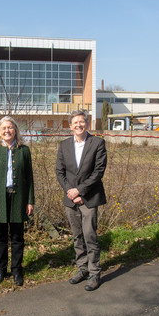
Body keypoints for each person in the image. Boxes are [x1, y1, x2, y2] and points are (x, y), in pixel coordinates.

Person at [55, 110, 107, 291]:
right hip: (71, 199)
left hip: (89, 198)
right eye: (75, 122)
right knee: (77, 236)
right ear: (70, 126)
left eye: (82, 122)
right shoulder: (64, 145)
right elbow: (59, 172)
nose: (79, 125)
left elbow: (98, 172)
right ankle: (82, 268)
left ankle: (94, 272)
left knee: (90, 236)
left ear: (87, 124)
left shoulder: (97, 143)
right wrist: (70, 191)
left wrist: (80, 190)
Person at [0, 116, 34, 287]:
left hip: (18, 197)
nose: (7, 131)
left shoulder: (24, 150)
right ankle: (1, 270)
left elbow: (30, 179)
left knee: (18, 236)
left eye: (10, 127)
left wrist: (30, 201)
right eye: (4, 128)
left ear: (15, 130)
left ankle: (17, 269)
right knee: (0, 237)